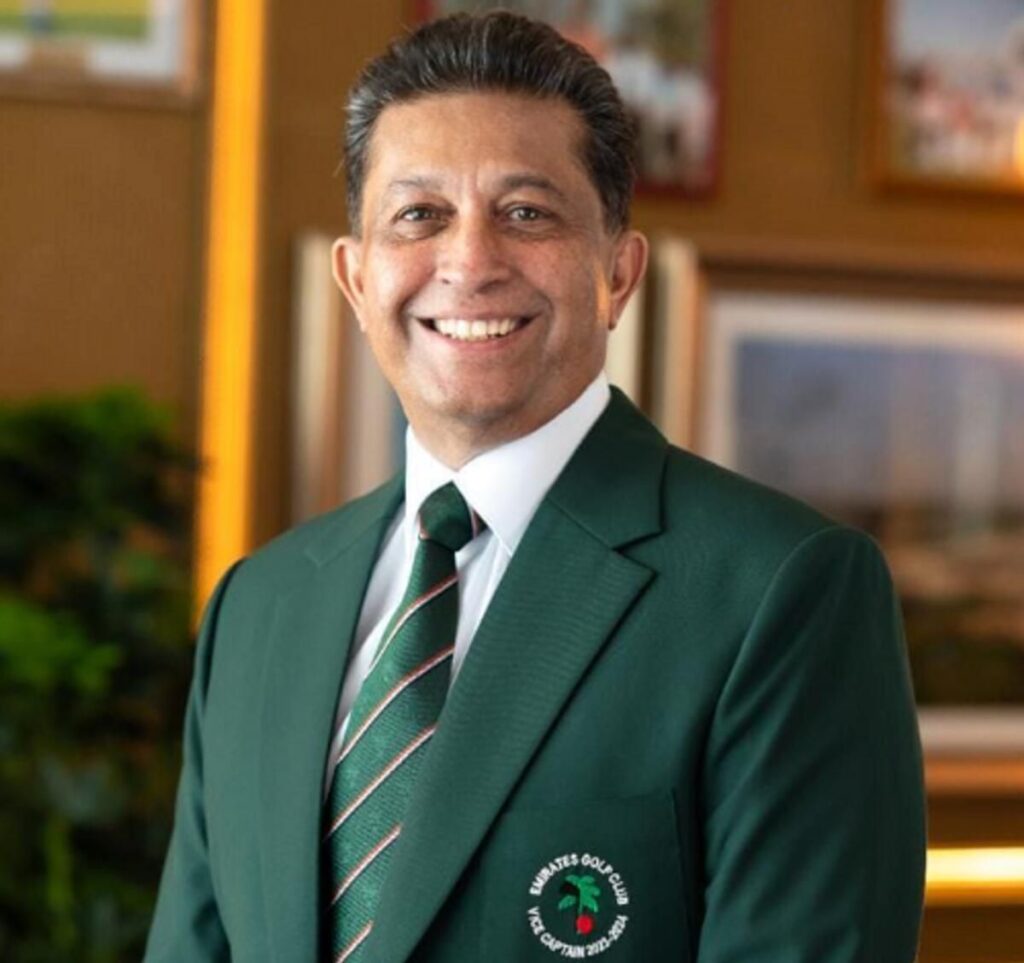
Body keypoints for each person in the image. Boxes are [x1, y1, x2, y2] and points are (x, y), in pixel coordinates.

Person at [145, 12, 926, 963]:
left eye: (526, 213)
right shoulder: (257, 607)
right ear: (355, 281)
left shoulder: (782, 591)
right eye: (419, 215)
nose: (469, 262)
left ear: (617, 272)